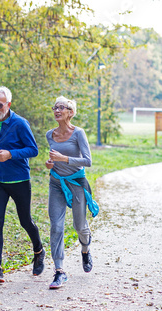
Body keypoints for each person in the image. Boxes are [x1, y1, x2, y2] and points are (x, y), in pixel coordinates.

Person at [0, 86, 45, 283]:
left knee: (25, 221)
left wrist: (11, 154)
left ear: (8, 104)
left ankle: (39, 251)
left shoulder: (20, 123)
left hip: (19, 180)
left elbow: (33, 150)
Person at [45, 96, 99, 289]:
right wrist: (50, 163)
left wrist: (64, 158)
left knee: (80, 226)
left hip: (76, 183)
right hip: (57, 183)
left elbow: (88, 161)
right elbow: (52, 159)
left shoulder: (79, 133)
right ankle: (59, 271)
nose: (57, 110)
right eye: (55, 107)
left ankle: (85, 249)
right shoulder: (49, 135)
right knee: (56, 226)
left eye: (62, 107)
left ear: (70, 112)